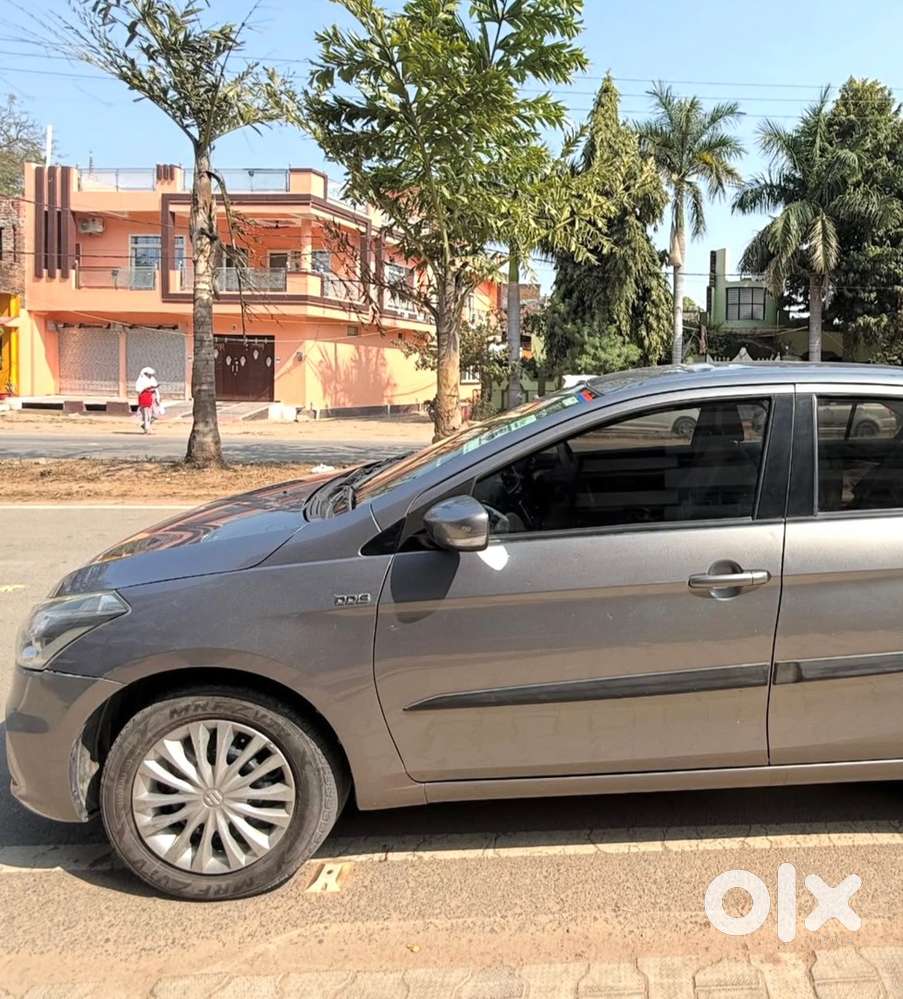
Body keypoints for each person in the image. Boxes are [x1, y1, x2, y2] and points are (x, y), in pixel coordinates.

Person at [135, 367, 160, 434]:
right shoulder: (141, 380)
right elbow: (138, 389)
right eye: (148, 374)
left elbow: (156, 389)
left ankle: (145, 425)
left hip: (153, 397)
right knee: (147, 414)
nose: (150, 375)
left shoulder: (153, 379)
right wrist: (146, 388)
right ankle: (147, 429)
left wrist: (157, 397)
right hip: (145, 397)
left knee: (156, 413)